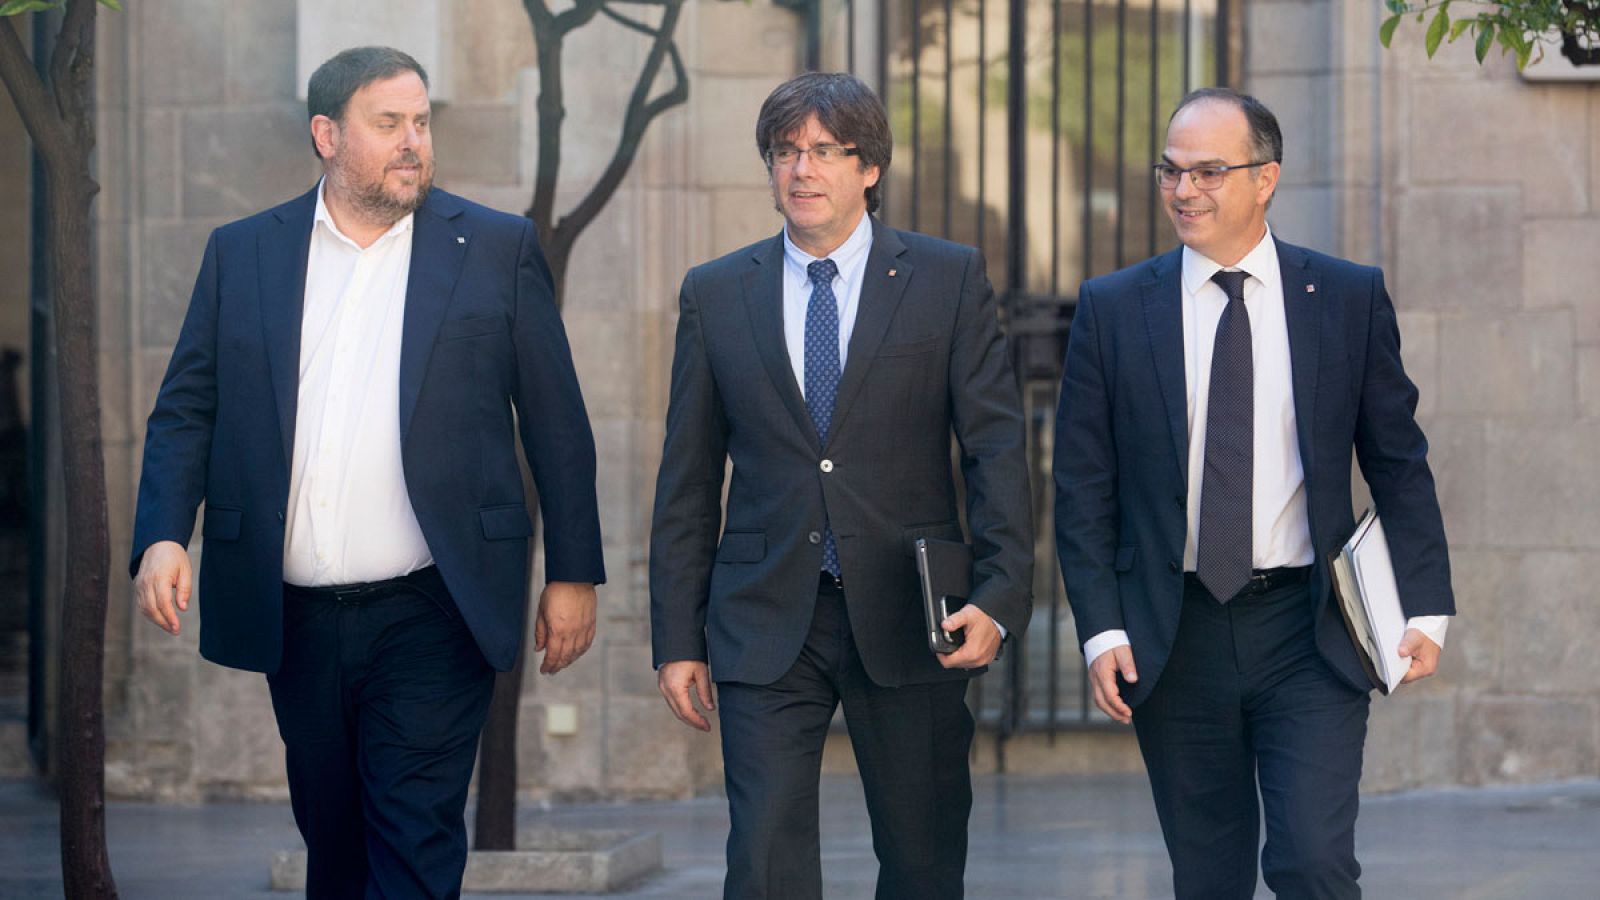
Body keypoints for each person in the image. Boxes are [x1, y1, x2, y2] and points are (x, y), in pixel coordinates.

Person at [129, 46, 605, 899]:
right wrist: (163, 532)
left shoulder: (495, 249)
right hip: (296, 617)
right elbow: (186, 408)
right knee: (335, 842)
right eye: (388, 125)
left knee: (414, 834)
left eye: (420, 123)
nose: (413, 142)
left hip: (434, 606)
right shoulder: (244, 253)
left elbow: (557, 426)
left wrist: (573, 572)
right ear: (326, 135)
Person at [1053, 87, 1455, 899]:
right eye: (1170, 171)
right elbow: (1082, 486)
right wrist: (1100, 628)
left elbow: (1398, 460)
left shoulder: (1343, 298)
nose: (1183, 190)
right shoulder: (1114, 308)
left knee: (1312, 861)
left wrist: (1427, 605)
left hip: (1307, 630)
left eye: (1208, 172)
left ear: (1265, 178)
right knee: (1208, 876)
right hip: (1177, 631)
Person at [649, 72, 1033, 899]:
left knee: (924, 856)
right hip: (764, 611)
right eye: (785, 152)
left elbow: (996, 450)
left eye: (825, 150)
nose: (802, 169)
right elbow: (686, 477)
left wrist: (999, 596)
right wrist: (678, 636)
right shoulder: (718, 292)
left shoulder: (946, 278)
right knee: (762, 860)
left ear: (870, 168)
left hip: (910, 608)